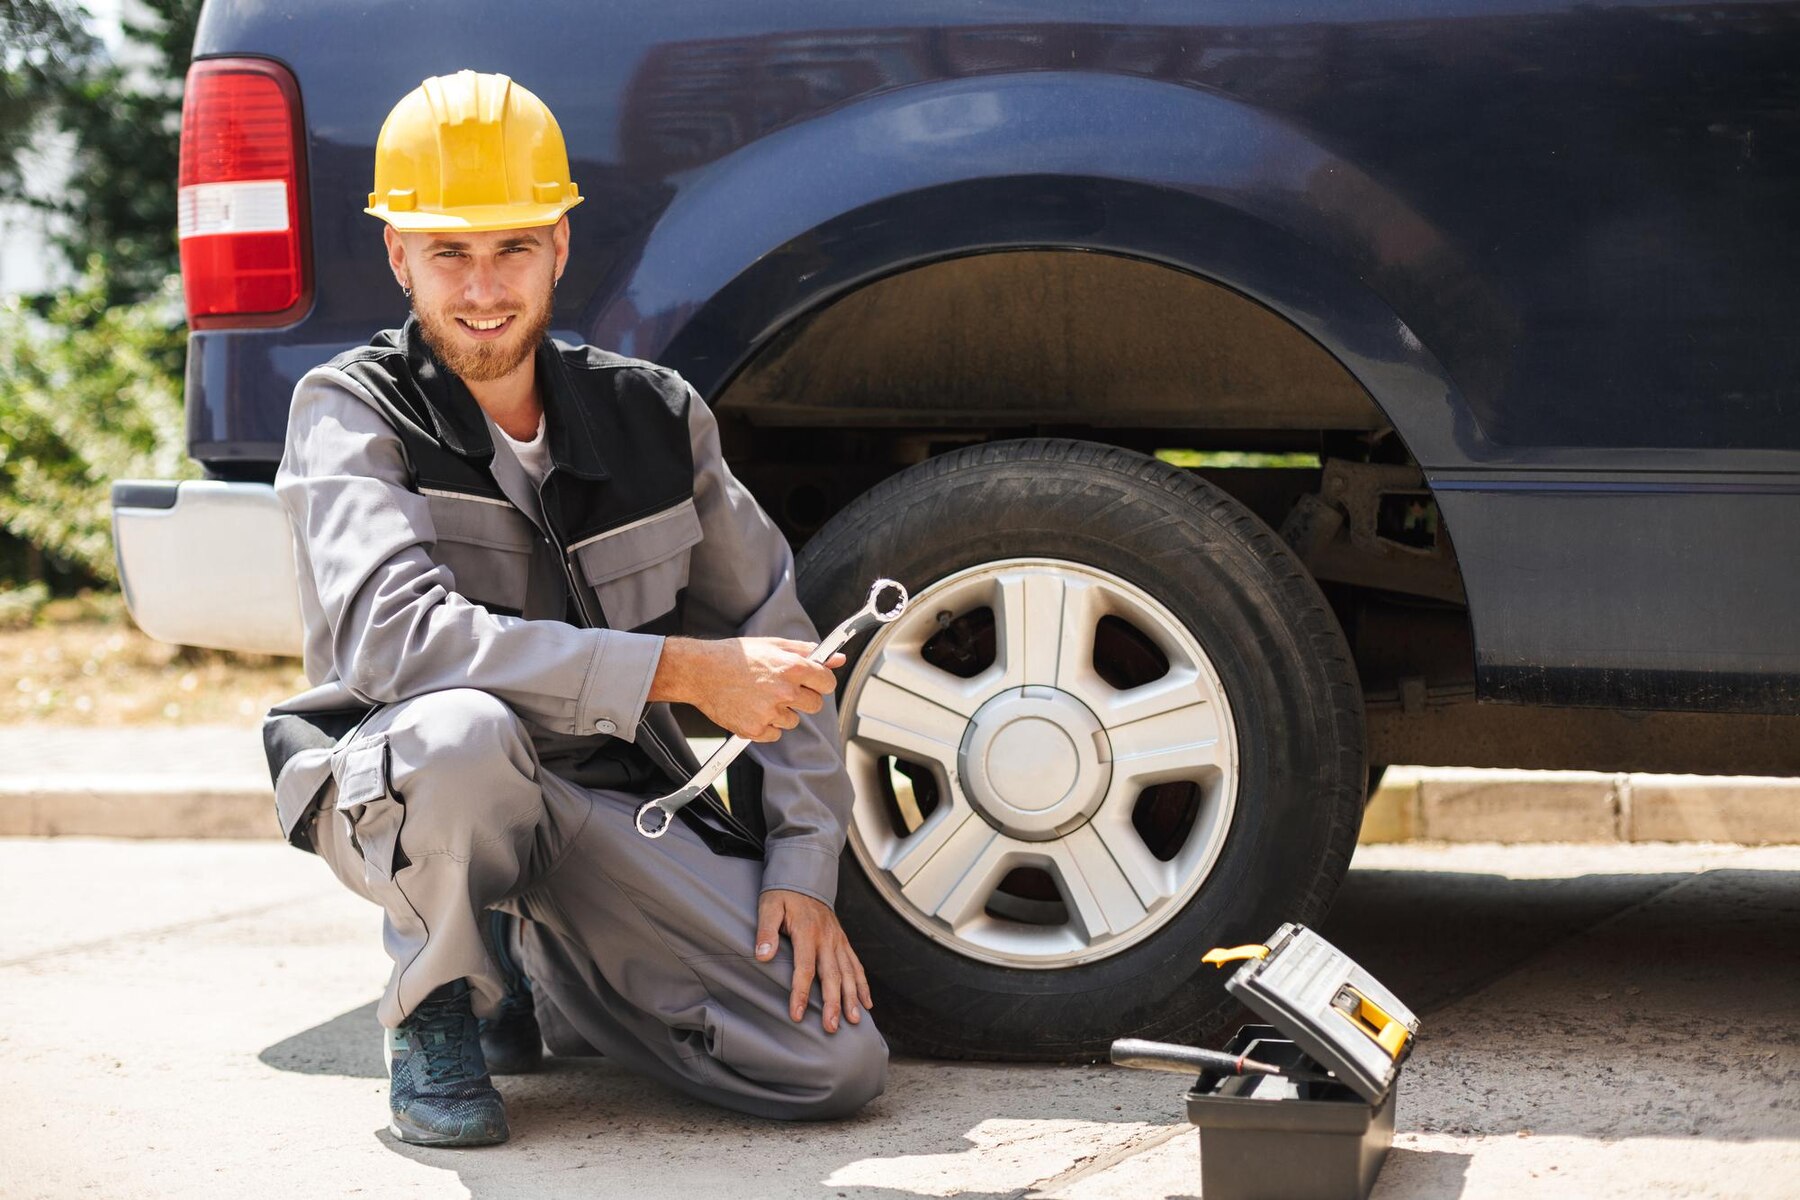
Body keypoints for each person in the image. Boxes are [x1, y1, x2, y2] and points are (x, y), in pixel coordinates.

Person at [262, 69, 886, 1147]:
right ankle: (440, 1006)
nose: (482, 288)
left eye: (511, 247)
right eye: (449, 251)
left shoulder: (655, 418)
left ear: (558, 244)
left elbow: (780, 643)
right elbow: (396, 638)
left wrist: (801, 865)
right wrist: (683, 676)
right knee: (464, 731)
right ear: (397, 254)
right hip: (419, 786)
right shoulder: (349, 412)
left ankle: (548, 972)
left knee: (831, 1064)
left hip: (606, 801)